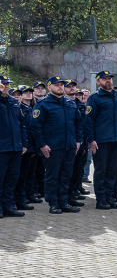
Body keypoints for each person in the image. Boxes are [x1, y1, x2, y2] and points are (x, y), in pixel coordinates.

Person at [29, 76, 83, 214]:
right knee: (52, 176)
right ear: (49, 87)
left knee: (66, 175)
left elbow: (78, 124)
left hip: (69, 146)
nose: (60, 87)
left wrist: (78, 141)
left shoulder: (70, 103)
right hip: (52, 148)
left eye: (61, 85)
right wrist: (42, 145)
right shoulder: (42, 104)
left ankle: (63, 202)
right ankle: (53, 203)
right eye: (57, 85)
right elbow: (35, 127)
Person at [84, 70, 117, 210]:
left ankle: (110, 197)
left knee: (113, 171)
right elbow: (89, 121)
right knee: (101, 171)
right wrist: (91, 139)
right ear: (98, 82)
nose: (108, 81)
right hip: (101, 141)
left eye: (110, 79)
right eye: (105, 79)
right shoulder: (94, 98)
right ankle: (101, 200)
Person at [0, 75, 28, 217]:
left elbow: (21, 124)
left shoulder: (13, 102)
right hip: (2, 148)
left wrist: (24, 143)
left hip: (15, 147)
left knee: (12, 179)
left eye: (8, 84)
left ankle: (9, 206)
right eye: (3, 84)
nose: (6, 86)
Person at [14, 85, 40, 209]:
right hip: (21, 147)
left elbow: (34, 130)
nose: (28, 94)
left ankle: (28, 194)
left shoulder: (32, 108)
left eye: (30, 91)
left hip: (31, 147)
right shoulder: (19, 109)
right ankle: (20, 197)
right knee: (20, 175)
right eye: (25, 92)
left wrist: (35, 147)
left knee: (29, 174)